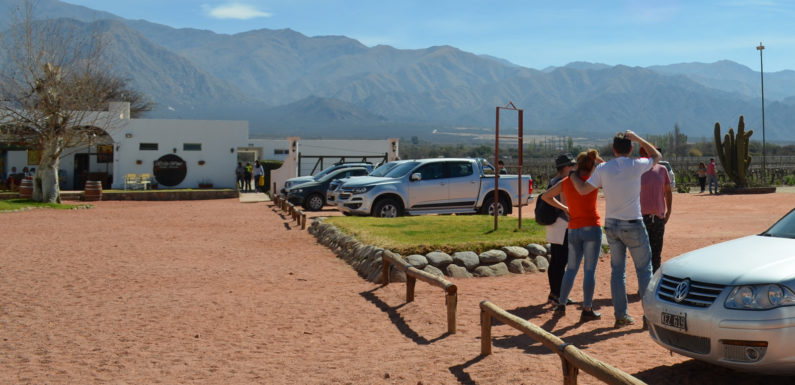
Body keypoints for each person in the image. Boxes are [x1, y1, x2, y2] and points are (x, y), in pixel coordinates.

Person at [569, 130, 660, 327]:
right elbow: (657, 156)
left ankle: (621, 316)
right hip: (633, 223)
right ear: (631, 148)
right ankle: (648, 318)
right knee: (644, 271)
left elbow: (584, 189)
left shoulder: (603, 168)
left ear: (613, 149)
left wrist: (573, 175)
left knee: (618, 272)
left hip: (611, 224)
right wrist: (639, 138)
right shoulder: (637, 164)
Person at [544, 150, 604, 321]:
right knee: (589, 270)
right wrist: (596, 158)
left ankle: (561, 304)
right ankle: (587, 308)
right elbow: (606, 167)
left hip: (573, 227)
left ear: (577, 165)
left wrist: (565, 208)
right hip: (592, 226)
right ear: (592, 166)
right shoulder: (593, 180)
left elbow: (546, 196)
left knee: (571, 268)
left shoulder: (567, 181)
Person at [540, 154, 576, 307]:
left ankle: (554, 293)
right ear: (566, 167)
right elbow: (565, 203)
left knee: (555, 260)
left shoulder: (553, 180)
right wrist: (567, 209)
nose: (574, 168)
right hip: (562, 224)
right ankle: (559, 295)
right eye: (571, 165)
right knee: (561, 261)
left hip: (553, 224)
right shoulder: (563, 181)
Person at [639, 147, 672, 273]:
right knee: (643, 255)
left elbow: (668, 192)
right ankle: (644, 285)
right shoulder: (637, 170)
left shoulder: (662, 170)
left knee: (656, 253)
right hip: (642, 218)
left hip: (658, 218)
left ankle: (653, 285)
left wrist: (669, 211)